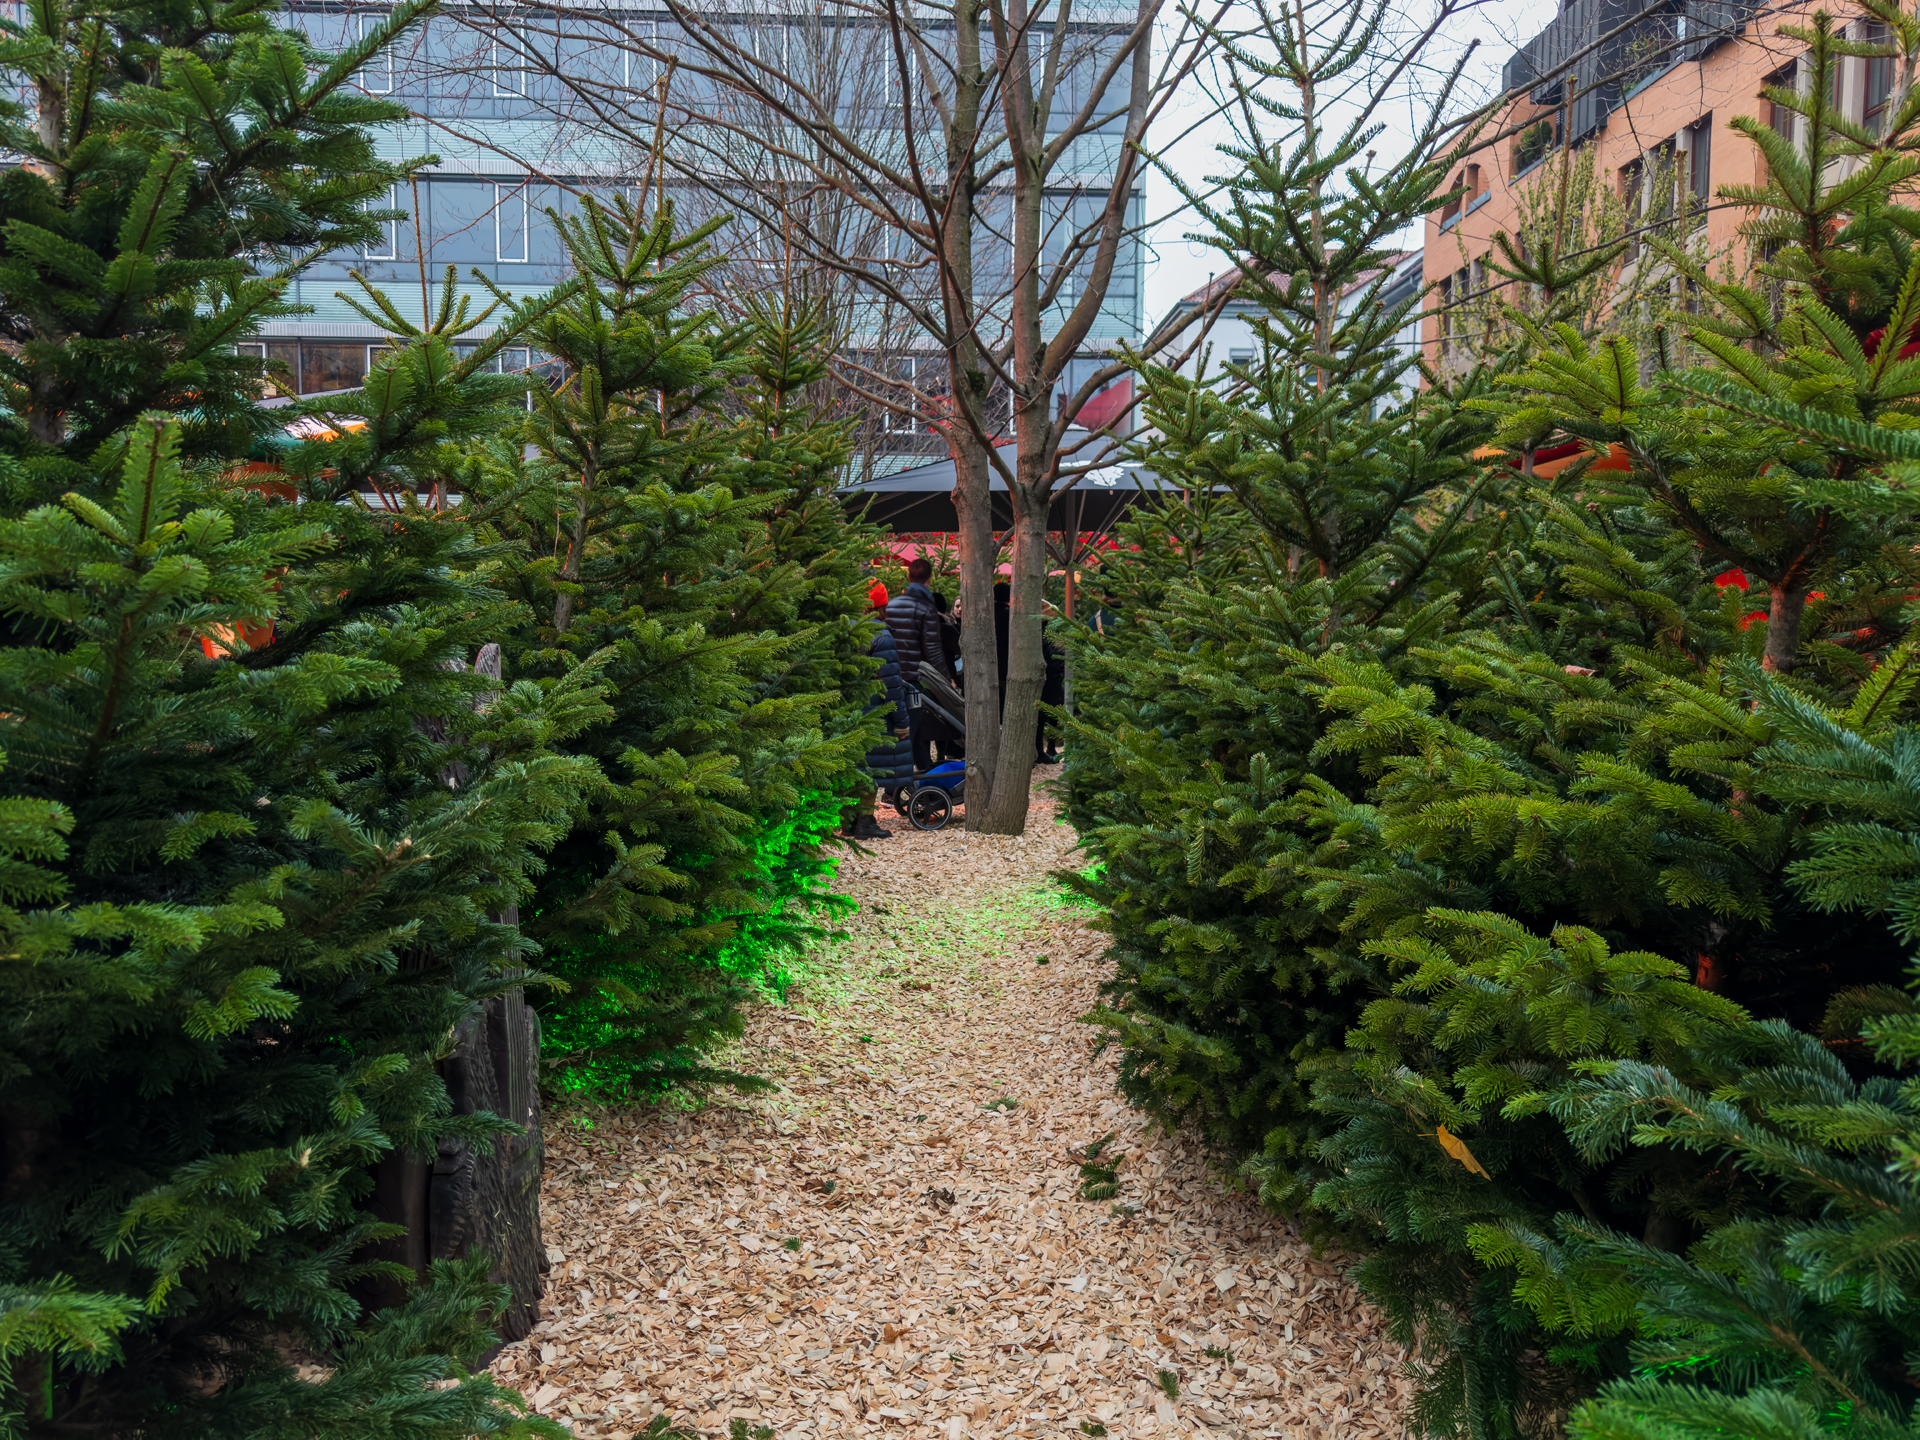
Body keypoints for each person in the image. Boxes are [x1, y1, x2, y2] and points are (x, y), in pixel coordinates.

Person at [843, 615, 911, 840]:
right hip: (874, 713)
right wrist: (902, 722)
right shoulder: (880, 636)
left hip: (845, 711)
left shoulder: (841, 630)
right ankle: (865, 821)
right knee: (871, 770)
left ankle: (850, 820)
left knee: (855, 767)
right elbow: (890, 684)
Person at [885, 556, 952, 773]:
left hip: (892, 675)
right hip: (915, 678)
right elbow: (932, 648)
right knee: (911, 730)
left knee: (907, 730)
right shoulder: (926, 608)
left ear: (908, 576)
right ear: (929, 578)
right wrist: (945, 678)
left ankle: (924, 770)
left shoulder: (891, 605)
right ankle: (895, 787)